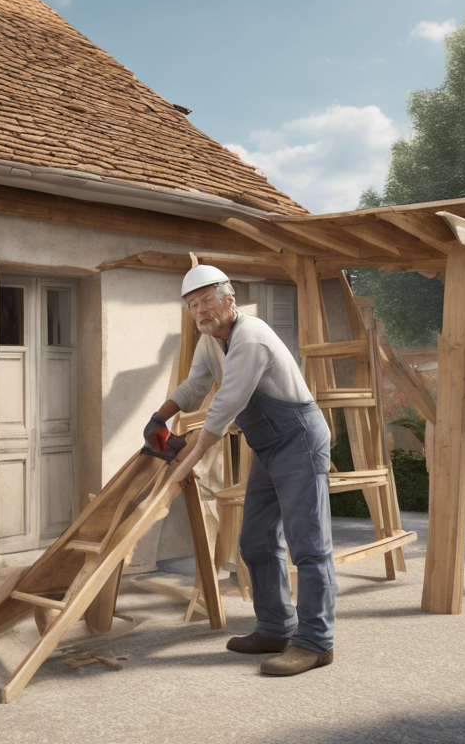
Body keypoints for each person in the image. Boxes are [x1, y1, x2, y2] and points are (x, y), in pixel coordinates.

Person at [144, 265, 336, 676]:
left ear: (229, 299)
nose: (201, 311)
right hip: (268, 446)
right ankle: (274, 627)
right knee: (256, 541)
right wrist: (158, 419)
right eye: (193, 305)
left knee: (309, 545)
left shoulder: (251, 338)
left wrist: (184, 462)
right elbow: (195, 387)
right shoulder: (210, 340)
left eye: (208, 300)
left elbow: (223, 408)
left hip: (298, 440)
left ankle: (316, 643)